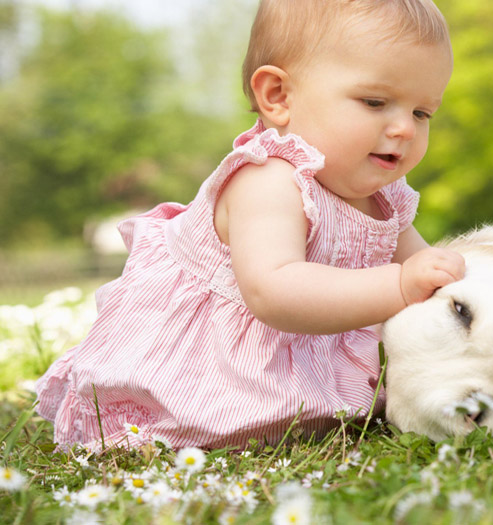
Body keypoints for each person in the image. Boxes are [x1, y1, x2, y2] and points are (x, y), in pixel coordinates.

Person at [35, 0, 465, 450]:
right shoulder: (267, 178)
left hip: (301, 369)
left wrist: (447, 280)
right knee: (182, 429)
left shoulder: (386, 199)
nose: (404, 129)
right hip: (206, 375)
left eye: (422, 113)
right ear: (278, 96)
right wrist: (400, 285)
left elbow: (429, 275)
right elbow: (275, 291)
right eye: (375, 102)